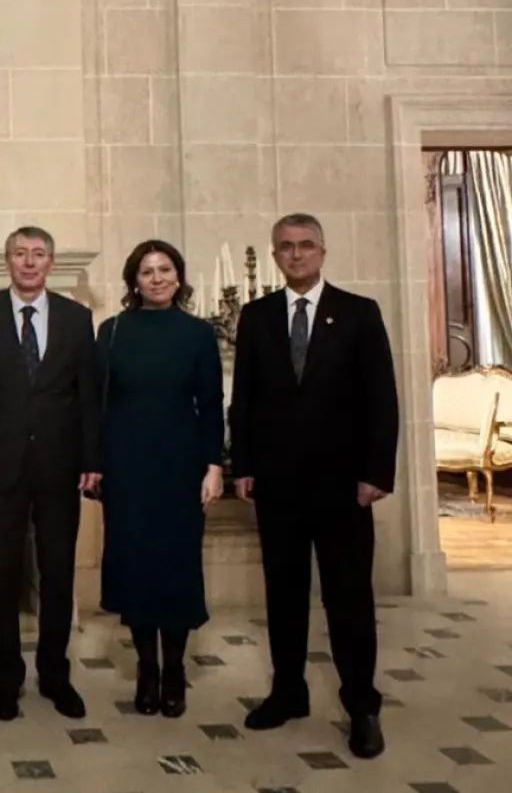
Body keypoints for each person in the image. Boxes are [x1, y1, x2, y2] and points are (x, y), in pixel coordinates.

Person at [230, 212, 399, 760]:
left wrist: (376, 472)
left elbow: (382, 398)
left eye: (306, 245)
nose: (296, 254)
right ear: (274, 256)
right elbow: (244, 398)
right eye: (286, 247)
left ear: (322, 252)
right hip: (278, 483)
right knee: (284, 594)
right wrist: (243, 465)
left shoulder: (358, 313)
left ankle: (362, 707)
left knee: (348, 598)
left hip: (343, 486)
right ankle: (288, 692)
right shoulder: (256, 316)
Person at [0, 225, 102, 722]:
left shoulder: (76, 318)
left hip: (61, 467)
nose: (29, 262)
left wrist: (92, 459)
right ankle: (6, 678)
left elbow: (88, 395)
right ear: (8, 261)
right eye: (20, 253)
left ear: (51, 263)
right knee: (0, 575)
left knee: (57, 574)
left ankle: (55, 676)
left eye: (38, 254)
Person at [96, 240, 223, 719]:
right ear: (134, 280)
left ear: (178, 276)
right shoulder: (112, 331)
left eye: (164, 269)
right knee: (136, 567)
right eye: (147, 271)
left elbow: (211, 403)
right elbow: (97, 403)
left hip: (181, 466)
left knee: (176, 567)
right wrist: (96, 463)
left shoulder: (199, 333)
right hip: (127, 466)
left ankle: (174, 669)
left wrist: (213, 466)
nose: (156, 278)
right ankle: (146, 669)